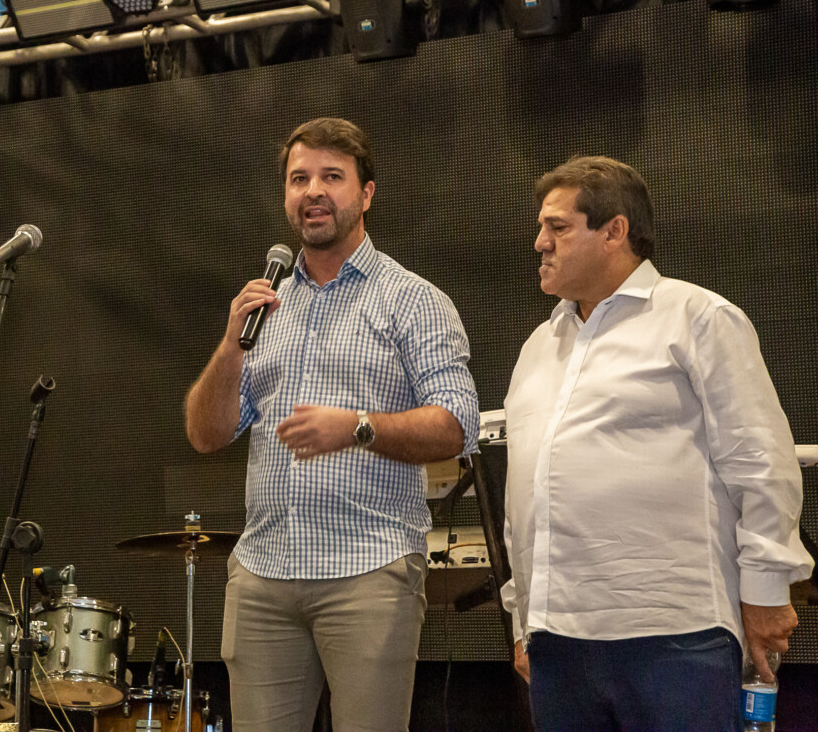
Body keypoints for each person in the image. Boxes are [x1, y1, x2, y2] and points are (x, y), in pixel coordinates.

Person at [185, 117, 479, 731]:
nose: (313, 191)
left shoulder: (413, 300)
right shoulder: (264, 309)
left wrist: (359, 428)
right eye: (299, 179)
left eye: (332, 177)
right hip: (263, 575)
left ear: (366, 194)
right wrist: (231, 344)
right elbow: (206, 434)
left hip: (369, 570)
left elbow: (457, 425)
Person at [501, 156, 813, 731]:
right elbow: (525, 493)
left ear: (614, 231)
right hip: (557, 642)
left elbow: (760, 460)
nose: (539, 243)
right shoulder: (537, 347)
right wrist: (525, 620)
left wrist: (767, 591)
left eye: (558, 227)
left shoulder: (698, 318)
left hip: (675, 634)